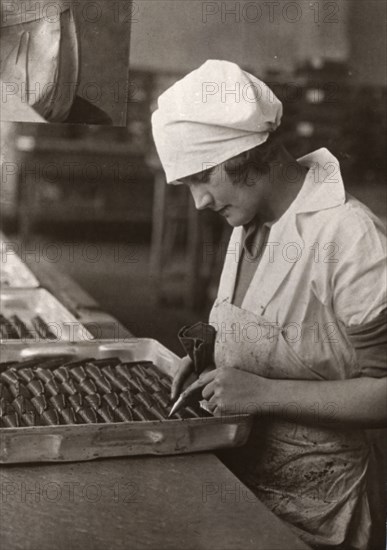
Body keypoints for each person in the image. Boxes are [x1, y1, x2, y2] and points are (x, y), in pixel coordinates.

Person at [151, 60, 387, 549]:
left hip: (322, 503)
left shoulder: (349, 236)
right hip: (246, 481)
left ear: (248, 154)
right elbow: (283, 322)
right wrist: (213, 354)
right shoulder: (248, 221)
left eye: (202, 178)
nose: (198, 202)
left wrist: (260, 393)